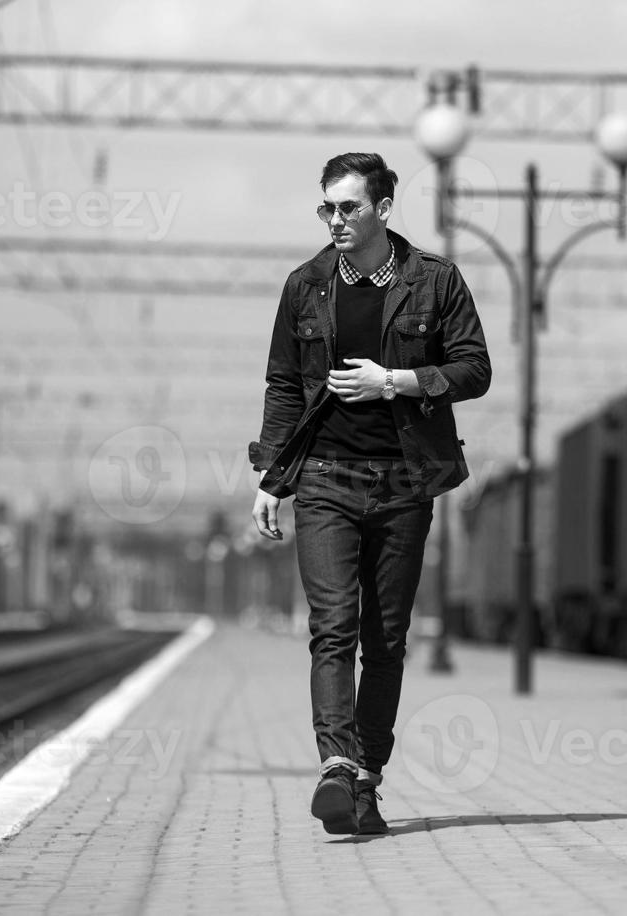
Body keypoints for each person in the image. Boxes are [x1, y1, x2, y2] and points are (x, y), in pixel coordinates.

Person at [249, 152, 491, 836]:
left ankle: (365, 781)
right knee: (332, 630)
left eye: (348, 207)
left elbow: (474, 369)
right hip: (324, 479)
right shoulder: (305, 286)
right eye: (326, 208)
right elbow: (283, 386)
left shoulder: (436, 281)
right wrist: (271, 478)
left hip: (405, 481)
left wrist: (396, 381)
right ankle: (335, 764)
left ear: (383, 208)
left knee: (385, 640)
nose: (335, 220)